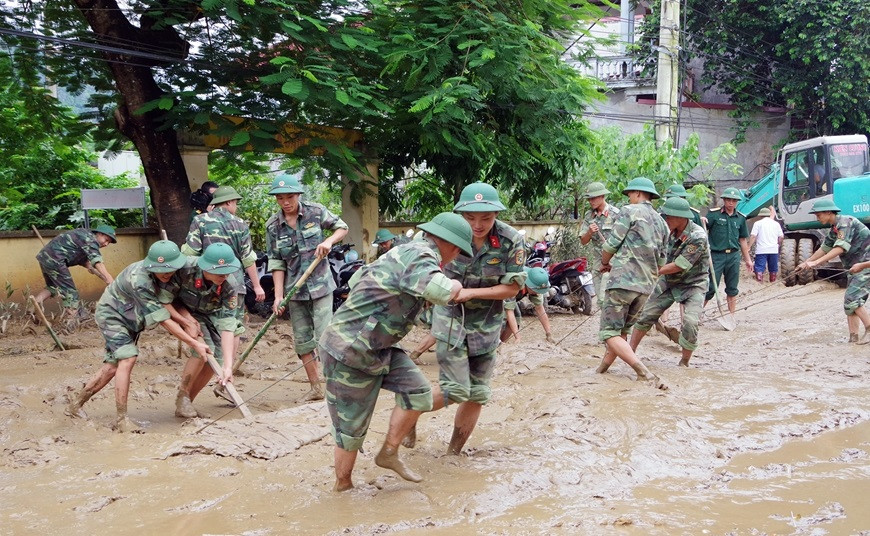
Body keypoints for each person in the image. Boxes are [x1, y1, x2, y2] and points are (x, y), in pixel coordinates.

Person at [319, 212, 473, 491]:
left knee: (418, 393)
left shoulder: (403, 251)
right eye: (459, 252)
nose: (456, 258)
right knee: (350, 430)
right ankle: (343, 487)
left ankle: (388, 452)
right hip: (350, 350)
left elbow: (357, 283)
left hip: (380, 346)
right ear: (450, 245)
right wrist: (457, 286)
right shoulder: (421, 255)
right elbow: (442, 292)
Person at [65, 240, 211, 432]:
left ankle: (75, 405)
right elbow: (163, 319)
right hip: (113, 315)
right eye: (162, 270)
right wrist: (194, 343)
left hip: (133, 318)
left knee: (111, 368)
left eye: (171, 269)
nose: (168, 273)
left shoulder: (178, 269)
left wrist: (188, 321)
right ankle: (121, 419)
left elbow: (169, 302)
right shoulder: (139, 280)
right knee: (128, 358)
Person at [425, 182, 526, 455]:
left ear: (496, 214)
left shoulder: (511, 240)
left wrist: (470, 293)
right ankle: (409, 407)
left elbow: (513, 288)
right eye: (470, 218)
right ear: (461, 215)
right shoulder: (444, 234)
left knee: (478, 393)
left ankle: (452, 454)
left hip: (488, 325)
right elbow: (422, 269)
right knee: (455, 388)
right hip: (450, 319)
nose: (478, 225)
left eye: (486, 218)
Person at [265, 174, 349, 402]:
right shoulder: (273, 227)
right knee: (302, 341)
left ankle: (336, 388)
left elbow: (342, 227)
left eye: (289, 197)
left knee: (325, 337)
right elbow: (276, 262)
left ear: (298, 195)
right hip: (295, 291)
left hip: (321, 286)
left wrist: (328, 241)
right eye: (280, 198)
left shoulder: (316, 212)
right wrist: (279, 296)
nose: (285, 202)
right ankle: (315, 387)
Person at [594, 177, 669, 388]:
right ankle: (601, 370)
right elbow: (662, 260)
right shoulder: (663, 223)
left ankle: (643, 371)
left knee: (609, 333)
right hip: (646, 287)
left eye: (629, 194)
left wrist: (605, 263)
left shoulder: (629, 211)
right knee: (621, 333)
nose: (629, 198)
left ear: (637, 194)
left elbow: (611, 244)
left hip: (622, 283)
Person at [182, 185, 265, 357]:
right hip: (234, 283)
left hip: (206, 282)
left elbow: (189, 254)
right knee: (233, 326)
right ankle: (229, 367)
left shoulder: (200, 221)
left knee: (206, 323)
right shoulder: (241, 224)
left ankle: (208, 362)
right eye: (235, 203)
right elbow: (248, 258)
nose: (236, 207)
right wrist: (257, 286)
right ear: (229, 202)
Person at [629, 197, 710, 367]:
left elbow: (681, 265)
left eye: (668, 217)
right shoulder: (666, 231)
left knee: (690, 322)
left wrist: (653, 271)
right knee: (645, 315)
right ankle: (629, 352)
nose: (665, 220)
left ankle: (684, 362)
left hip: (693, 284)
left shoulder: (697, 236)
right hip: (668, 282)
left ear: (681, 218)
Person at [168, 243, 242, 418]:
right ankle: (183, 394)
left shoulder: (230, 284)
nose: (224, 276)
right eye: (219, 272)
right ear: (205, 267)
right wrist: (186, 319)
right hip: (182, 311)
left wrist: (228, 366)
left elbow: (227, 326)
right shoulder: (184, 269)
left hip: (211, 313)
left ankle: (187, 403)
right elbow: (167, 298)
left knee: (216, 357)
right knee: (204, 348)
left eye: (227, 271)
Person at [796, 199, 870, 344]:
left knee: (852, 300)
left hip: (865, 265)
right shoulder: (834, 228)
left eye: (818, 215)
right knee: (850, 304)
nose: (817, 218)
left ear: (828, 212)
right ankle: (853, 337)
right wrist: (806, 262)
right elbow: (825, 248)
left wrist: (816, 263)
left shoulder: (845, 223)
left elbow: (840, 248)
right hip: (854, 267)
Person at [33, 225, 117, 318]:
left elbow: (80, 258)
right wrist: (109, 279)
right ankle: (72, 320)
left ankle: (32, 307)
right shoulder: (90, 239)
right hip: (56, 260)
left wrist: (91, 267)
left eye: (108, 243)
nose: (106, 244)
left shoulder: (84, 235)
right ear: (100, 234)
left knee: (52, 287)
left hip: (45, 258)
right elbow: (97, 261)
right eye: (106, 240)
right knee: (70, 292)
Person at [704, 187, 753, 316]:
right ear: (724, 200)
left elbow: (742, 240)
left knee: (732, 289)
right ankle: (697, 315)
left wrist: (748, 259)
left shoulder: (740, 218)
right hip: (716, 256)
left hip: (733, 256)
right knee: (709, 288)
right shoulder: (714, 215)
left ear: (737, 202)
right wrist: (702, 221)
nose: (731, 203)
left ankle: (731, 315)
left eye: (734, 201)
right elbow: (702, 230)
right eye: (728, 200)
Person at [579, 182, 620, 306]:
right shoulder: (589, 215)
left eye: (594, 198)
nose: (591, 201)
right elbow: (583, 241)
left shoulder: (616, 214)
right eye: (589, 199)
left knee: (609, 299)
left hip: (614, 262)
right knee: (601, 301)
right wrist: (589, 232)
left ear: (602, 196)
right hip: (598, 262)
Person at [501, 266, 554, 344]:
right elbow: (509, 311)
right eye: (536, 290)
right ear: (528, 284)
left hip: (510, 297)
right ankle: (494, 345)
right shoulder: (514, 282)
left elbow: (540, 309)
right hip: (497, 293)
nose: (538, 292)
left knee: (517, 317)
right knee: (501, 319)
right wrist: (518, 337)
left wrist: (548, 334)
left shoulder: (534, 286)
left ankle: (502, 343)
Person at [748, 205, 784, 282]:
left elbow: (753, 236)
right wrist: (777, 244)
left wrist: (748, 247)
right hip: (773, 250)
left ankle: (759, 283)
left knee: (759, 268)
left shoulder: (757, 223)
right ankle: (772, 283)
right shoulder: (776, 224)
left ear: (760, 216)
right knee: (773, 269)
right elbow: (781, 237)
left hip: (761, 250)